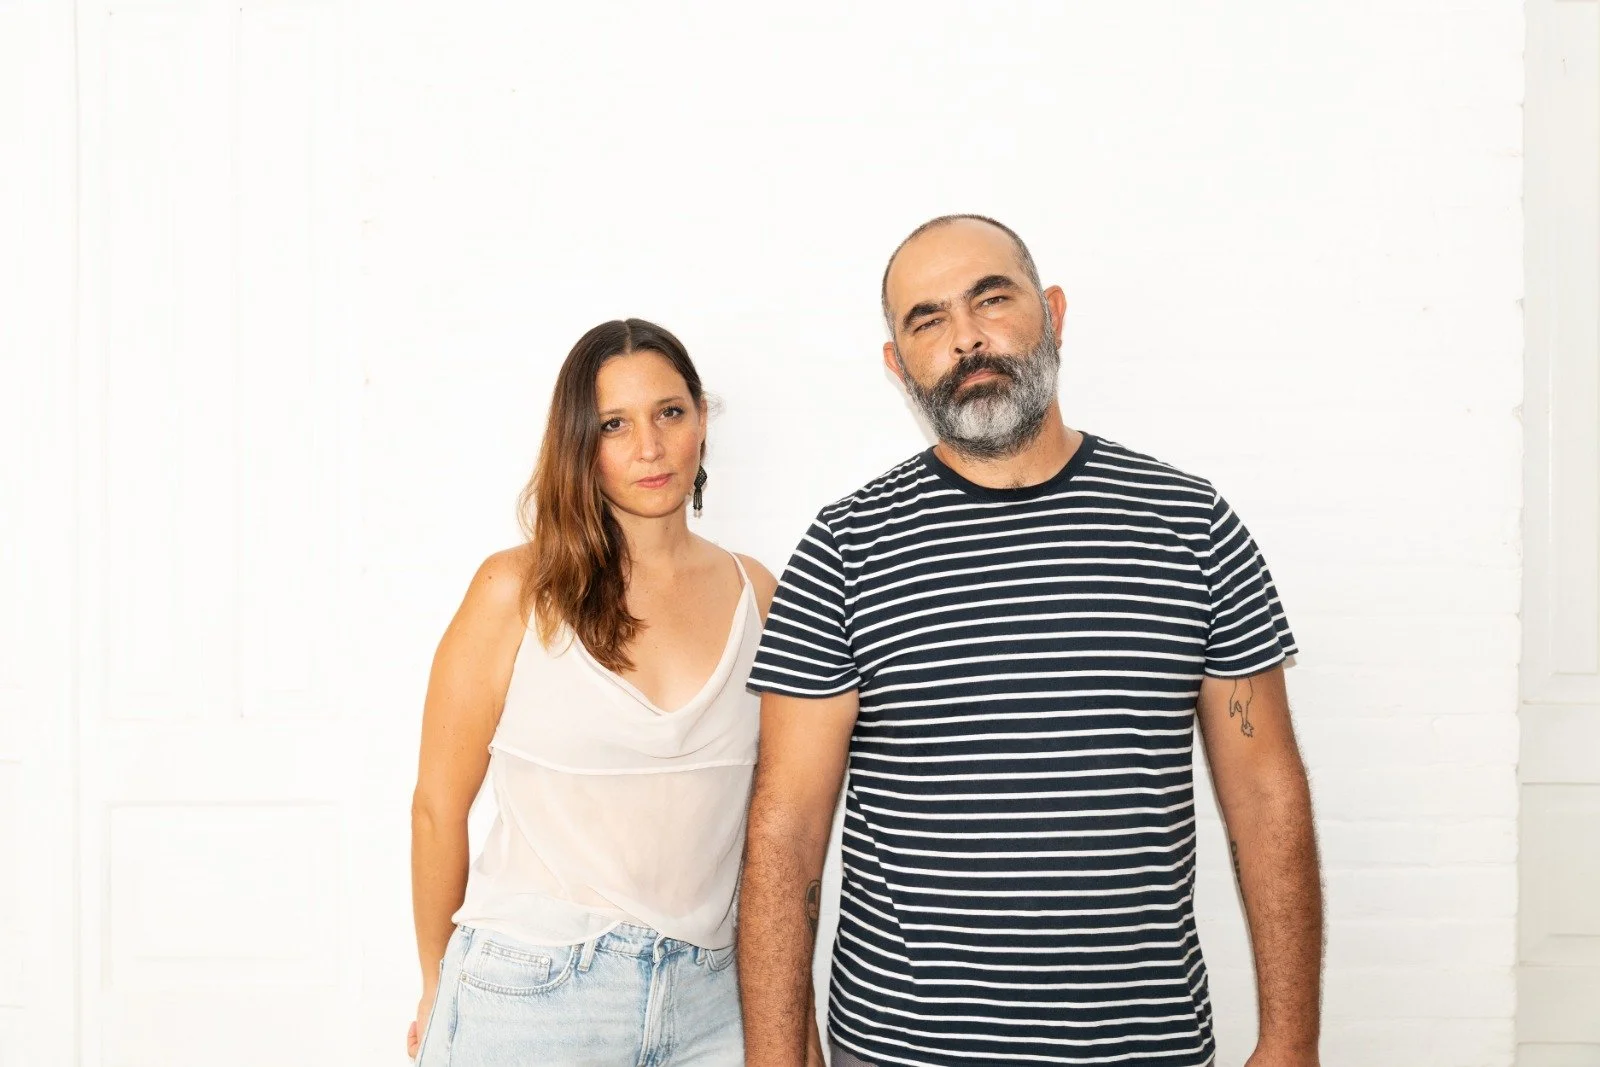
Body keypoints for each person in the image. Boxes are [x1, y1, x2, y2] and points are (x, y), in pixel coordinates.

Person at [739, 216, 1323, 1067]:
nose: (967, 338)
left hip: (1140, 1048)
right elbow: (785, 830)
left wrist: (1293, 1041)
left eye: (991, 299)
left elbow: (1268, 796)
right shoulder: (846, 549)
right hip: (905, 1048)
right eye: (929, 320)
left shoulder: (1190, 527)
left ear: (1052, 311)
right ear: (898, 364)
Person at [408, 318, 779, 1065]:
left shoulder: (757, 592)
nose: (650, 446)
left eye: (669, 413)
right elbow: (437, 807)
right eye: (615, 424)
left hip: (711, 1003)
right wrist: (434, 983)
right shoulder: (517, 589)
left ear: (701, 422)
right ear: (580, 442)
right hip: (535, 994)